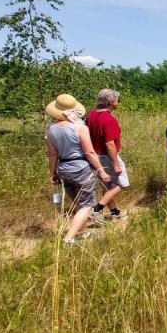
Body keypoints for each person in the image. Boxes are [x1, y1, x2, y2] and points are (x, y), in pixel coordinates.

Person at [45, 94, 112, 246]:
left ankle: (83, 232)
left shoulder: (51, 130)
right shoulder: (80, 128)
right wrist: (101, 170)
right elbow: (89, 152)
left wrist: (53, 172)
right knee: (87, 205)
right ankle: (69, 238)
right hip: (80, 168)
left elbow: (53, 153)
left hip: (63, 168)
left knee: (78, 203)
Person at [86, 89, 129, 221]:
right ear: (111, 102)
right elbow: (110, 144)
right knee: (120, 184)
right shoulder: (109, 119)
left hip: (95, 156)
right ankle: (97, 209)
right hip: (107, 156)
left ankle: (115, 213)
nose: (118, 103)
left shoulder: (91, 115)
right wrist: (115, 164)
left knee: (108, 186)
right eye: (117, 100)